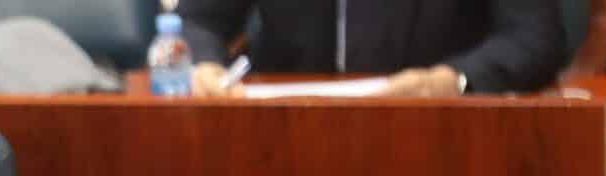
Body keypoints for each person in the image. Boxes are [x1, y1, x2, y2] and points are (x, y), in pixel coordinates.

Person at [179, 0, 566, 97]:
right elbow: (198, 18)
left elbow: (534, 36)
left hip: (440, 134)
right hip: (290, 135)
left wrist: (454, 80)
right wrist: (206, 65)